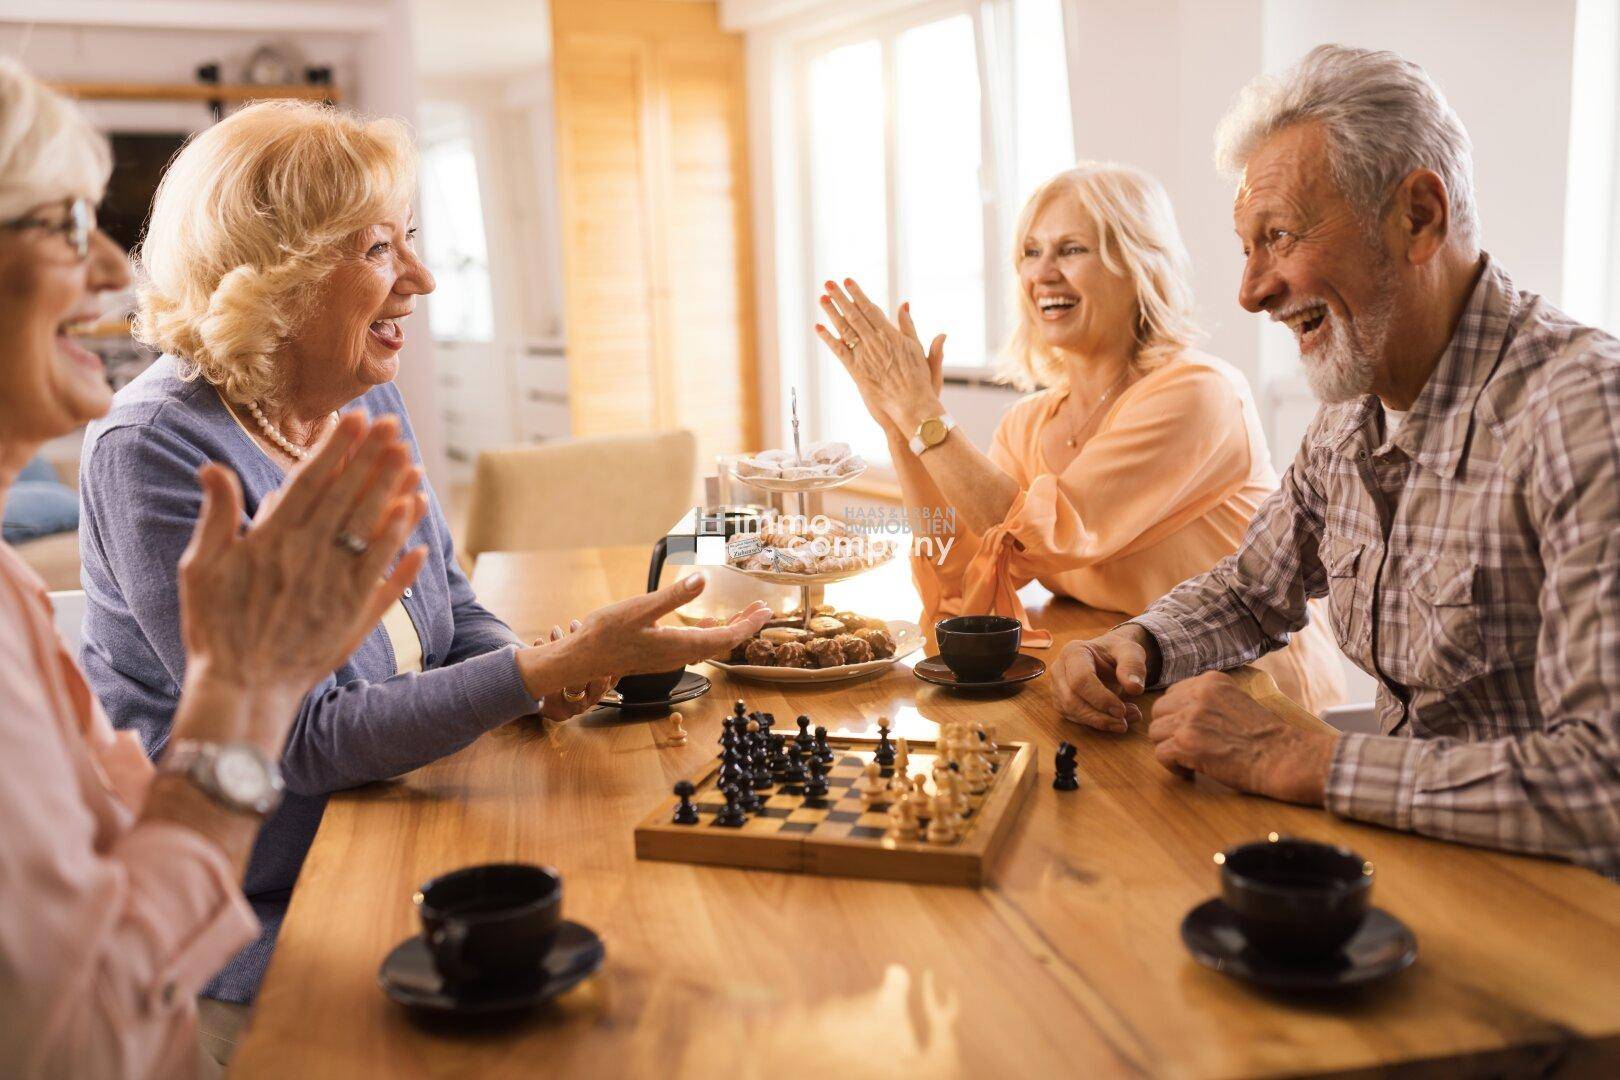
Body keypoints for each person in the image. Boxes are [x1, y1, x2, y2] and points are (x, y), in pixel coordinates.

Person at [76, 99, 771, 1054]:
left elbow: (450, 604)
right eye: (376, 251)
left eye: (411, 240)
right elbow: (297, 743)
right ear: (275, 277)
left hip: (395, 804)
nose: (423, 279)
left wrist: (546, 671)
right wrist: (527, 675)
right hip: (271, 880)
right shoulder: (154, 448)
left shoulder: (364, 393)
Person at [1053, 45, 1620, 878]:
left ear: (1418, 217)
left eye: (1277, 237)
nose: (1250, 290)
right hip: (1407, 873)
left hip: (1559, 922)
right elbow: (1251, 591)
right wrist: (1137, 644)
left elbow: (1602, 785)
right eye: (1247, 247)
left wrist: (1306, 758)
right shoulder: (1350, 410)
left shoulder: (1583, 415)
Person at [0, 60, 430, 1077]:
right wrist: (241, 692)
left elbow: (124, 888)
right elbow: (97, 1031)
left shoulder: (13, 590)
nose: (114, 268)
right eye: (63, 223)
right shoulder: (149, 442)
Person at [816, 163, 1343, 713]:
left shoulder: (1199, 393)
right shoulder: (1029, 422)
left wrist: (923, 412)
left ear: (1138, 266)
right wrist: (902, 431)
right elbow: (964, 584)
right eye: (1030, 252)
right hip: (1127, 678)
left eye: (1071, 250)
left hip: (1252, 689)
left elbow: (1046, 534)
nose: (1042, 273)